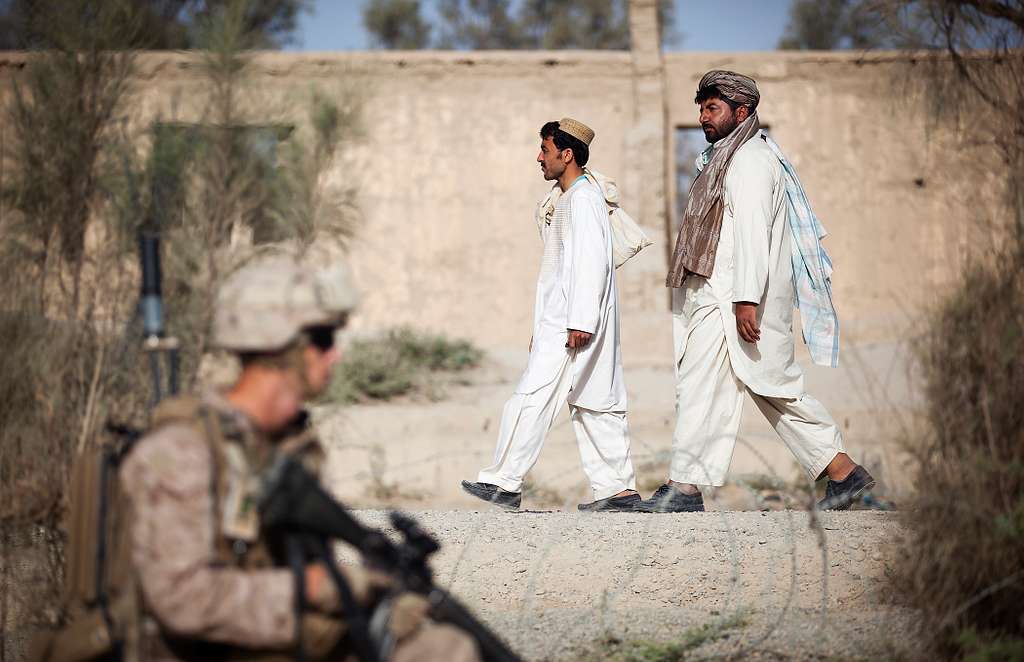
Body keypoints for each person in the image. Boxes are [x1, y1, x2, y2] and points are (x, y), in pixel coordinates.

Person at [119, 255, 480, 660]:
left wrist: (370, 600)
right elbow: (181, 598)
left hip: (277, 643)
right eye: (324, 340)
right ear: (284, 350)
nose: (336, 356)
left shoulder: (292, 446)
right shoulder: (181, 452)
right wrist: (313, 588)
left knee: (445, 650)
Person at [637, 71, 874, 513]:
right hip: (718, 293)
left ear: (741, 112)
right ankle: (687, 486)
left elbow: (751, 233)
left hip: (738, 297)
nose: (703, 117)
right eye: (701, 108)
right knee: (709, 386)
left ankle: (842, 472)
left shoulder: (749, 160)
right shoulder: (724, 159)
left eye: (712, 108)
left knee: (770, 386)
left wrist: (746, 298)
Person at [461, 118, 639, 512]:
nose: (539, 158)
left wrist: (579, 321)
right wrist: (542, 324)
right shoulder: (569, 200)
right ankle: (617, 491)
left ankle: (504, 482)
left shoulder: (584, 200)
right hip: (562, 320)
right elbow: (559, 271)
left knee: (533, 397)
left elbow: (590, 264)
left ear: (566, 154)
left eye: (545, 150)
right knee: (594, 401)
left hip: (572, 323)